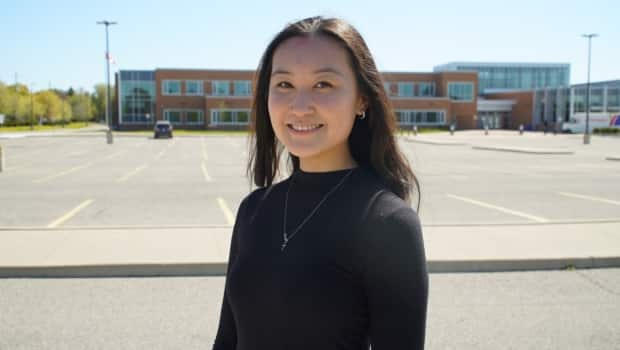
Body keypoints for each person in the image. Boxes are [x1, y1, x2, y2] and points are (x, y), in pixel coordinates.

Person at [213, 16, 428, 350]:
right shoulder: (253, 210)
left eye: (323, 85)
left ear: (362, 99)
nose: (300, 107)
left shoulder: (387, 223)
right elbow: (226, 341)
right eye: (284, 85)